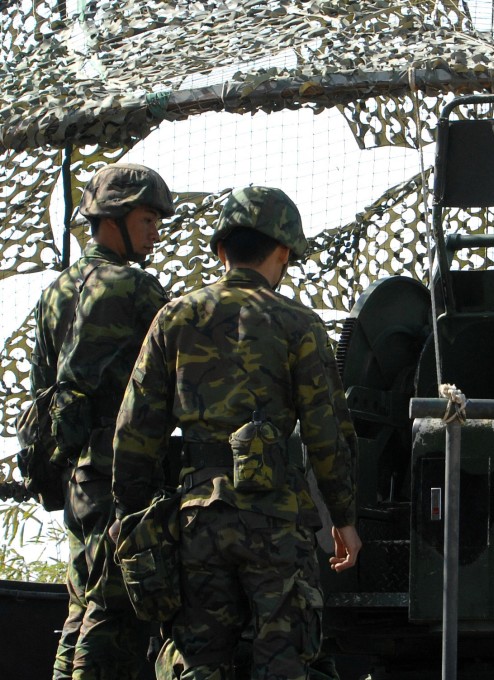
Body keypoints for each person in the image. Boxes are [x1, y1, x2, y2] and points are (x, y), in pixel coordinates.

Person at [110, 185, 362, 679]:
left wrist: (130, 518)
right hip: (276, 521)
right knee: (284, 662)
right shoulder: (299, 324)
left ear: (222, 249)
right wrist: (344, 517)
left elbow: (133, 434)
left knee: (199, 664)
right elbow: (328, 432)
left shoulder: (174, 318)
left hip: (196, 521)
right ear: (285, 252)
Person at [31, 163, 174, 679]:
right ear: (112, 217)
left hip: (73, 477)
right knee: (114, 612)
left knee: (82, 606)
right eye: (147, 218)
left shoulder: (53, 293)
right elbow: (170, 381)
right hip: (121, 477)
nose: (156, 231)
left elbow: (40, 390)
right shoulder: (136, 290)